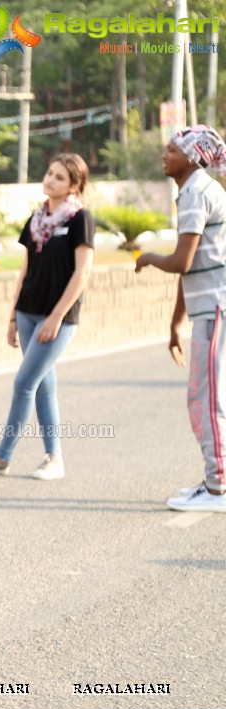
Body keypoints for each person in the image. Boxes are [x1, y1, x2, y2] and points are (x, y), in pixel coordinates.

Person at [0, 154, 94, 481]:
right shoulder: (36, 218)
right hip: (27, 312)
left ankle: (2, 456)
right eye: (50, 173)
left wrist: (56, 317)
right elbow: (25, 271)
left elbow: (82, 273)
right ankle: (54, 458)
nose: (50, 180)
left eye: (60, 177)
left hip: (58, 318)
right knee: (43, 385)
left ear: (75, 185)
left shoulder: (80, 219)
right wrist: (11, 317)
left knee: (24, 382)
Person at [135, 125, 226, 513]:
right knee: (207, 397)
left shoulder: (195, 193)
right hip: (209, 307)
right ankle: (215, 479)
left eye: (171, 149)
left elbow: (180, 262)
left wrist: (149, 257)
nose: (164, 155)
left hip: (215, 309)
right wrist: (175, 323)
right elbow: (192, 266)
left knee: (207, 399)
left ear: (191, 157)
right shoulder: (198, 189)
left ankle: (217, 486)